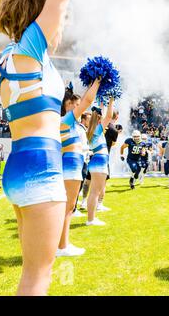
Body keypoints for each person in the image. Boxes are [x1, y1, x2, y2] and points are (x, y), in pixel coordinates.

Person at [0, 0, 71, 296]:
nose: (63, 23)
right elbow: (60, 0)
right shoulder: (31, 47)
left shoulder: (9, 56)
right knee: (38, 278)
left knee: (33, 273)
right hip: (41, 165)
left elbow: (42, 114)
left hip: (18, 165)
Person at [57, 81, 100, 257]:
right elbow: (88, 100)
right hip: (71, 163)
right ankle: (62, 246)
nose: (76, 107)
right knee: (68, 207)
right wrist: (96, 81)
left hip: (71, 162)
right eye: (72, 105)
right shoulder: (66, 120)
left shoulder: (70, 123)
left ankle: (61, 244)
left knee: (68, 206)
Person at [86, 98, 115, 226]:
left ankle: (92, 218)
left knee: (95, 192)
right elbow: (109, 115)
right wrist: (112, 100)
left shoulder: (93, 130)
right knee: (94, 192)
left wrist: (102, 102)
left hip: (97, 161)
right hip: (99, 161)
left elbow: (104, 115)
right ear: (98, 119)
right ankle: (90, 220)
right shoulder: (97, 129)